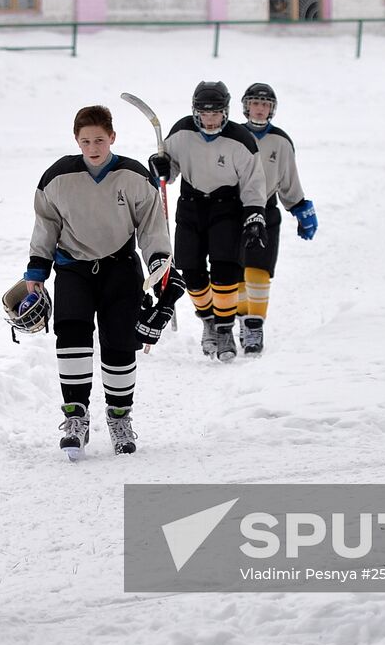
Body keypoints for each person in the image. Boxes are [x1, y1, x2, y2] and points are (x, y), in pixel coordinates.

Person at [23, 105, 183, 460]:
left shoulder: (134, 176)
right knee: (71, 338)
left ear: (112, 137)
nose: (92, 147)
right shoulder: (57, 177)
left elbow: (152, 227)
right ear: (76, 141)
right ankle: (75, 417)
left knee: (120, 343)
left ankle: (119, 417)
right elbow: (46, 226)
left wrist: (159, 265)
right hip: (73, 268)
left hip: (120, 267)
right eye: (85, 141)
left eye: (99, 139)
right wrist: (36, 271)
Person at [148, 81, 267, 362]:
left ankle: (225, 329)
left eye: (215, 113)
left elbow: (253, 183)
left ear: (225, 112)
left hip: (227, 207)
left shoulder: (241, 140)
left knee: (225, 269)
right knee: (191, 271)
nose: (210, 119)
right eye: (204, 113)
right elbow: (168, 173)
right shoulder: (181, 132)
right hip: (191, 205)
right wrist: (159, 165)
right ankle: (209, 322)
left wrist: (255, 215)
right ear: (195, 112)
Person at [236, 83, 318, 355]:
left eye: (265, 104)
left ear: (272, 109)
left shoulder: (281, 141)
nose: (260, 109)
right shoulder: (233, 135)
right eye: (255, 103)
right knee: (235, 270)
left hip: (266, 209)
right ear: (246, 106)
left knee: (259, 269)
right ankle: (240, 318)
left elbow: (288, 179)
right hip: (233, 209)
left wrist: (300, 208)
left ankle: (254, 326)